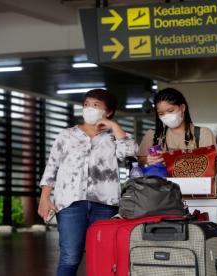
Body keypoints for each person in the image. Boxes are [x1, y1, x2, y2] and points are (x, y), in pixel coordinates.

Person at [37, 89, 138, 276]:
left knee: (104, 258)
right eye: (86, 105)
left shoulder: (114, 137)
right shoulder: (66, 135)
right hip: (70, 204)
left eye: (95, 105)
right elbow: (52, 167)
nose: (89, 109)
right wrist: (44, 198)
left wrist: (113, 126)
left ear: (107, 112)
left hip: (105, 205)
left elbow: (130, 152)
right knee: (70, 257)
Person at [138, 87, 216, 165]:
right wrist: (148, 160)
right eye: (161, 114)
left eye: (170, 111)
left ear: (182, 108)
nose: (166, 116)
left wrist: (170, 158)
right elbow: (140, 160)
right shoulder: (153, 134)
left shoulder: (203, 134)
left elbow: (210, 164)